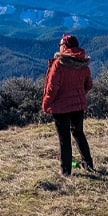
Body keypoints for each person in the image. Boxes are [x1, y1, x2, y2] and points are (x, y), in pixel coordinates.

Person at [41, 34, 95, 176]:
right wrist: (79, 95)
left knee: (64, 138)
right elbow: (89, 84)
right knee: (78, 133)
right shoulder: (83, 63)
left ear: (64, 47)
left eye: (60, 45)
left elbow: (52, 88)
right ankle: (88, 165)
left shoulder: (59, 64)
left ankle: (66, 172)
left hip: (60, 107)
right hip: (78, 105)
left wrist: (46, 104)